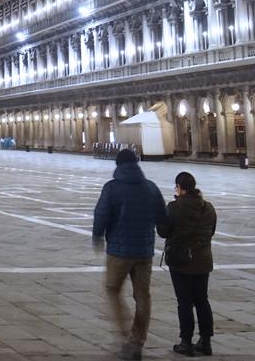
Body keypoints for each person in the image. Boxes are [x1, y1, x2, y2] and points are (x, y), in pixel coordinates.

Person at [92, 148, 167, 361]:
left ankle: (125, 334)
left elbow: (102, 214)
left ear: (118, 165)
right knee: (143, 296)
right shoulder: (151, 187)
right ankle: (138, 339)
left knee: (112, 289)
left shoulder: (112, 188)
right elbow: (162, 218)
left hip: (119, 250)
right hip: (144, 251)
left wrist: (97, 236)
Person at [157, 171, 216, 357]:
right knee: (202, 300)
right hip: (203, 260)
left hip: (181, 260)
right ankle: (205, 341)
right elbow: (211, 231)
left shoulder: (175, 207)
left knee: (184, 302)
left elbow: (163, 231)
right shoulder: (209, 207)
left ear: (179, 187)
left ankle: (186, 342)